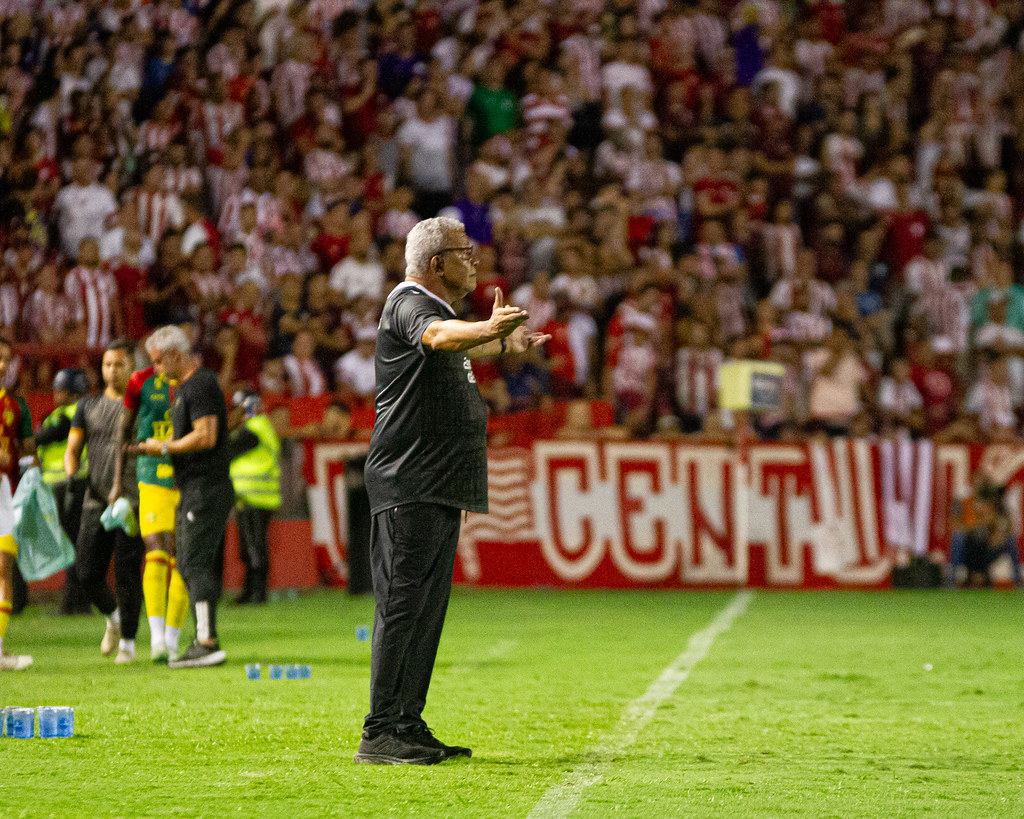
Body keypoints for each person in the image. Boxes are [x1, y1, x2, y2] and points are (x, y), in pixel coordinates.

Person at [355, 216, 548, 765]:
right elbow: (440, 338)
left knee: (425, 609)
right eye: (466, 252)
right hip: (409, 480)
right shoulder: (410, 302)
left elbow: (455, 345)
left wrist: (504, 343)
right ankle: (380, 732)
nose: (476, 261)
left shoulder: (437, 312)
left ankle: (406, 722)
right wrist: (488, 330)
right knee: (401, 605)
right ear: (436, 263)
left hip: (435, 482)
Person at [134, 325, 233, 668]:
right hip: (200, 488)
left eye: (159, 361)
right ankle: (203, 638)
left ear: (176, 354)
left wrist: (163, 446)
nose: (157, 369)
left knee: (193, 563)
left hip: (205, 488)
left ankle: (206, 641)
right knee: (193, 562)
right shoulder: (192, 387)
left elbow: (206, 435)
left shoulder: (199, 384)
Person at [64, 339, 145, 664]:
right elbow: (73, 448)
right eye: (107, 364)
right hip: (95, 499)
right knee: (86, 572)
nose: (112, 370)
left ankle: (128, 641)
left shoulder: (142, 406)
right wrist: (72, 473)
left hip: (132, 500)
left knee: (127, 572)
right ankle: (112, 617)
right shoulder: (87, 406)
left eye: (119, 365)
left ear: (131, 368)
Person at [112, 336, 189, 663]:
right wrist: (118, 480)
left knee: (183, 556)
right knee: (155, 546)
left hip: (186, 476)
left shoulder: (192, 382)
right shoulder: (139, 382)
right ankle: (157, 638)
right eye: (153, 357)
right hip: (151, 474)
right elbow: (124, 429)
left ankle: (172, 638)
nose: (155, 362)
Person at [35, 368, 90, 616]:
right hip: (75, 482)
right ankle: (80, 600)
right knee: (77, 543)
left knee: (72, 544)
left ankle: (73, 601)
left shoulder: (69, 414)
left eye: (60, 390)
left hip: (68, 483)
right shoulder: (82, 412)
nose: (56, 394)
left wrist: (31, 438)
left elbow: (49, 436)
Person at [0, 337, 36, 671]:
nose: (1, 365)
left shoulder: (15, 406)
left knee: (4, 565)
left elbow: (26, 451)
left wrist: (30, 468)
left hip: (3, 493)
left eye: (5, 360)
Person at [227, 390, 281, 605]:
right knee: (253, 546)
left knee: (253, 546)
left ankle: (256, 594)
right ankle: (251, 592)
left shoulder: (253, 429)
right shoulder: (263, 426)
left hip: (254, 497)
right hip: (258, 497)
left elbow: (228, 448)